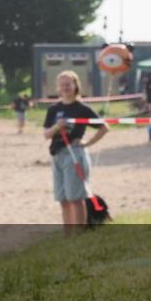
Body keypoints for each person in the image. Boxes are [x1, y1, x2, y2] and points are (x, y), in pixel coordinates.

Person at [42, 71, 109, 231]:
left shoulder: (82, 108)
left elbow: (104, 127)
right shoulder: (53, 109)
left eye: (68, 84)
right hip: (57, 154)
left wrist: (88, 143)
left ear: (75, 86)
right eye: (62, 85)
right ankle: (68, 234)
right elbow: (46, 134)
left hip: (74, 154)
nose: (65, 87)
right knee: (63, 199)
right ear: (58, 87)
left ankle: (79, 233)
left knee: (75, 198)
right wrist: (57, 126)